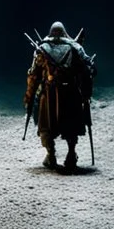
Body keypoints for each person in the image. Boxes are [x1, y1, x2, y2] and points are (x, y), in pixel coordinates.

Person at [24, 22, 95, 170]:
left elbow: (34, 75)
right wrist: (86, 94)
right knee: (71, 127)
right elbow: (87, 71)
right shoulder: (75, 48)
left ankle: (51, 155)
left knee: (46, 126)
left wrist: (29, 96)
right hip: (70, 93)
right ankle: (71, 155)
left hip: (48, 94)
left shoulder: (42, 50)